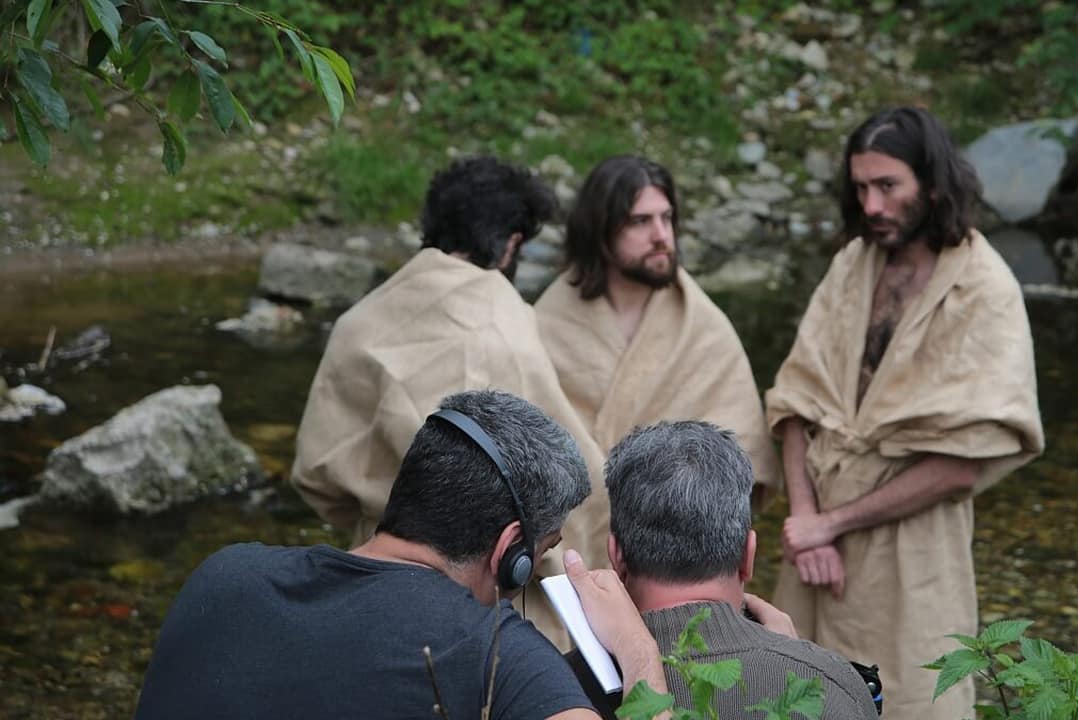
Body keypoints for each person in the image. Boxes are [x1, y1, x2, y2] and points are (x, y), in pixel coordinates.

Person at [137, 390, 671, 720]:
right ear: (511, 553)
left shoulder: (224, 576)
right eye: (543, 552)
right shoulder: (500, 657)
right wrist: (637, 650)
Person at [766, 107, 1045, 720]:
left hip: (914, 553)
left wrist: (832, 524)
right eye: (860, 187)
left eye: (887, 186)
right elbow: (795, 401)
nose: (870, 205)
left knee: (915, 698)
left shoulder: (984, 289)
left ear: (934, 183)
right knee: (799, 694)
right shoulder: (854, 264)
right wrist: (807, 517)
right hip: (816, 547)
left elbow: (961, 466)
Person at [290, 157, 612, 646]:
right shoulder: (505, 326)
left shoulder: (360, 318)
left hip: (373, 581)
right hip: (491, 600)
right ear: (511, 245)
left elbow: (316, 475)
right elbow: (575, 482)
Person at [570, 420, 879, 720]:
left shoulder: (556, 691)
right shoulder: (833, 688)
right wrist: (799, 660)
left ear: (616, 557)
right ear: (748, 555)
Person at [534, 155, 779, 503]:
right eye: (640, 221)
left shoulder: (703, 327)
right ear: (600, 228)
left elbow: (742, 450)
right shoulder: (549, 320)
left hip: (671, 537)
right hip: (569, 531)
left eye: (667, 218)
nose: (661, 236)